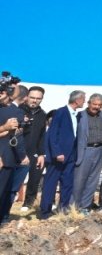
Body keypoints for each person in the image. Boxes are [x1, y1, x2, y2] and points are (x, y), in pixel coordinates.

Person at [39, 90, 84, 219]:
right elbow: (52, 134)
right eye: (83, 99)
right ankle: (45, 211)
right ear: (77, 100)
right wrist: (57, 152)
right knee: (51, 183)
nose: (84, 102)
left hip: (71, 156)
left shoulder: (77, 115)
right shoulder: (61, 112)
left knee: (67, 183)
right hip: (58, 156)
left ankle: (63, 209)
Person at [0, 81, 28, 226]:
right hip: (5, 157)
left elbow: (14, 135)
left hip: (6, 157)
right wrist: (4, 128)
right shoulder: (14, 112)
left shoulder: (12, 110)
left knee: (4, 190)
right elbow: (16, 136)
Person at [19, 86, 47, 214]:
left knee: (35, 177)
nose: (34, 101)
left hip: (34, 151)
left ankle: (28, 202)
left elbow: (42, 136)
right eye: (32, 97)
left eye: (38, 98)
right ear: (27, 97)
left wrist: (41, 154)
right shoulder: (19, 110)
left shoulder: (43, 114)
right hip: (16, 150)